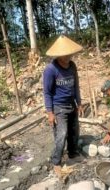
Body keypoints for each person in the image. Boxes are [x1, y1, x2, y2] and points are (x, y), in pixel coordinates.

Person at [43, 35, 84, 177]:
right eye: (65, 54)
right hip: (59, 107)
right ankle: (56, 162)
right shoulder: (51, 69)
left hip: (71, 104)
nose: (68, 56)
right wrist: (50, 112)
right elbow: (47, 92)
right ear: (59, 55)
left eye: (70, 53)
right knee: (61, 134)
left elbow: (76, 86)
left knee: (74, 131)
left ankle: (72, 153)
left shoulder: (72, 66)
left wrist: (79, 102)